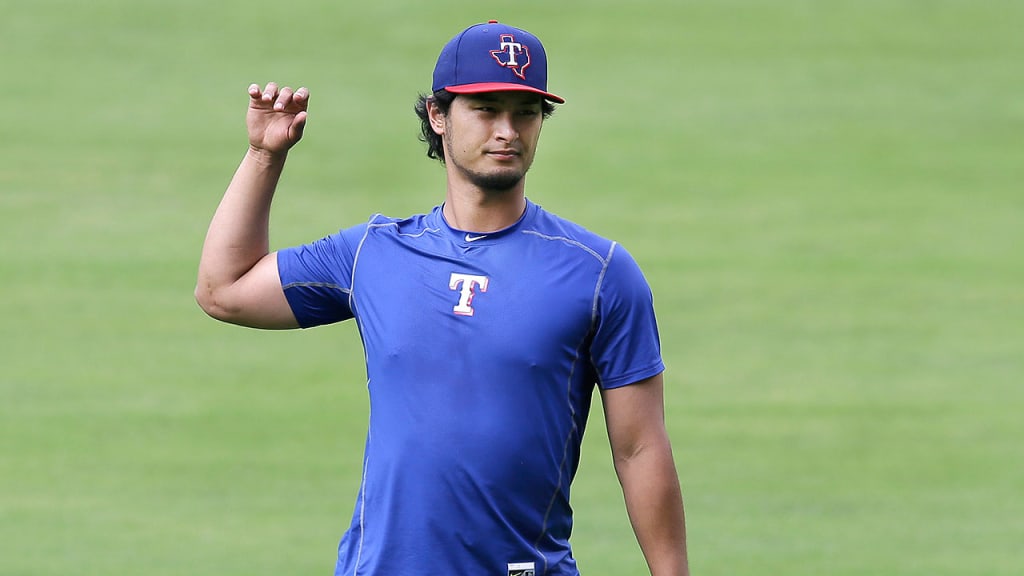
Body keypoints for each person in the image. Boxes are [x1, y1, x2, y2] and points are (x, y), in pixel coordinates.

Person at [196, 20, 689, 576]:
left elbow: (641, 448)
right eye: (485, 109)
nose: (507, 130)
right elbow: (225, 291)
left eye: (525, 112)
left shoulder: (599, 273)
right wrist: (265, 156)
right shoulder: (372, 255)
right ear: (438, 115)